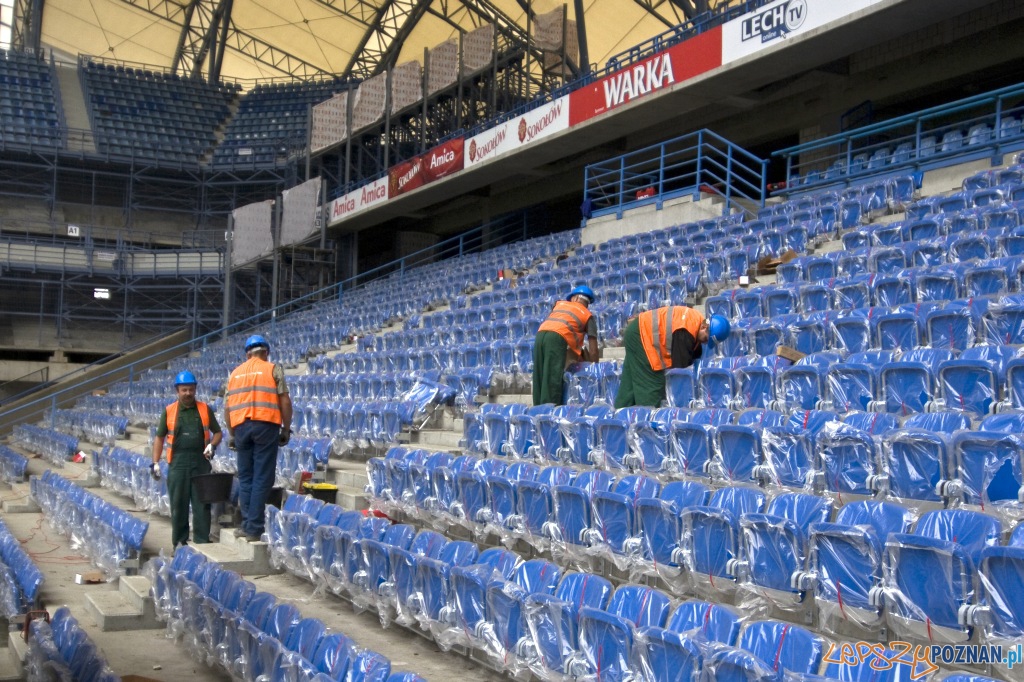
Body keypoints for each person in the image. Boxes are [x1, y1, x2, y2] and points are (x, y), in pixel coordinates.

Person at [224, 334, 292, 542]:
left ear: (247, 353)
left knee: (245, 477)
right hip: (266, 425)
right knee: (262, 477)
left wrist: (232, 433)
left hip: (241, 427)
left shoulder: (234, 374)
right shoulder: (273, 369)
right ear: (266, 352)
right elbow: (285, 402)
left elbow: (227, 408)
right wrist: (286, 429)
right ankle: (254, 527)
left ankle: (246, 525)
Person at [151, 370, 222, 549]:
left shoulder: (205, 409)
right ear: (177, 391)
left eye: (190, 389)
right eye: (184, 390)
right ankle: (179, 543)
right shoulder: (169, 411)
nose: (188, 393)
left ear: (195, 389)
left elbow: (218, 433)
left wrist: (212, 445)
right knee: (178, 506)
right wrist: (155, 462)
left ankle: (202, 542)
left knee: (202, 505)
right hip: (178, 464)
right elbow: (159, 437)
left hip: (201, 464)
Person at [614, 306, 731, 408]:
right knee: (653, 384)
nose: (705, 343)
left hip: (637, 330)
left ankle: (619, 416)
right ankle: (647, 425)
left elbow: (694, 353)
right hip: (642, 334)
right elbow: (679, 371)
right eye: (706, 339)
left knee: (628, 383)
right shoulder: (685, 332)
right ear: (704, 327)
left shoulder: (695, 322)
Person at [533, 285, 599, 405]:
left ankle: (536, 410)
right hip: (557, 338)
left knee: (540, 376)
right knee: (552, 377)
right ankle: (549, 414)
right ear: (587, 302)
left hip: (540, 334)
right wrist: (596, 370)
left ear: (574, 298)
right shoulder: (587, 315)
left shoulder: (560, 305)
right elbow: (593, 350)